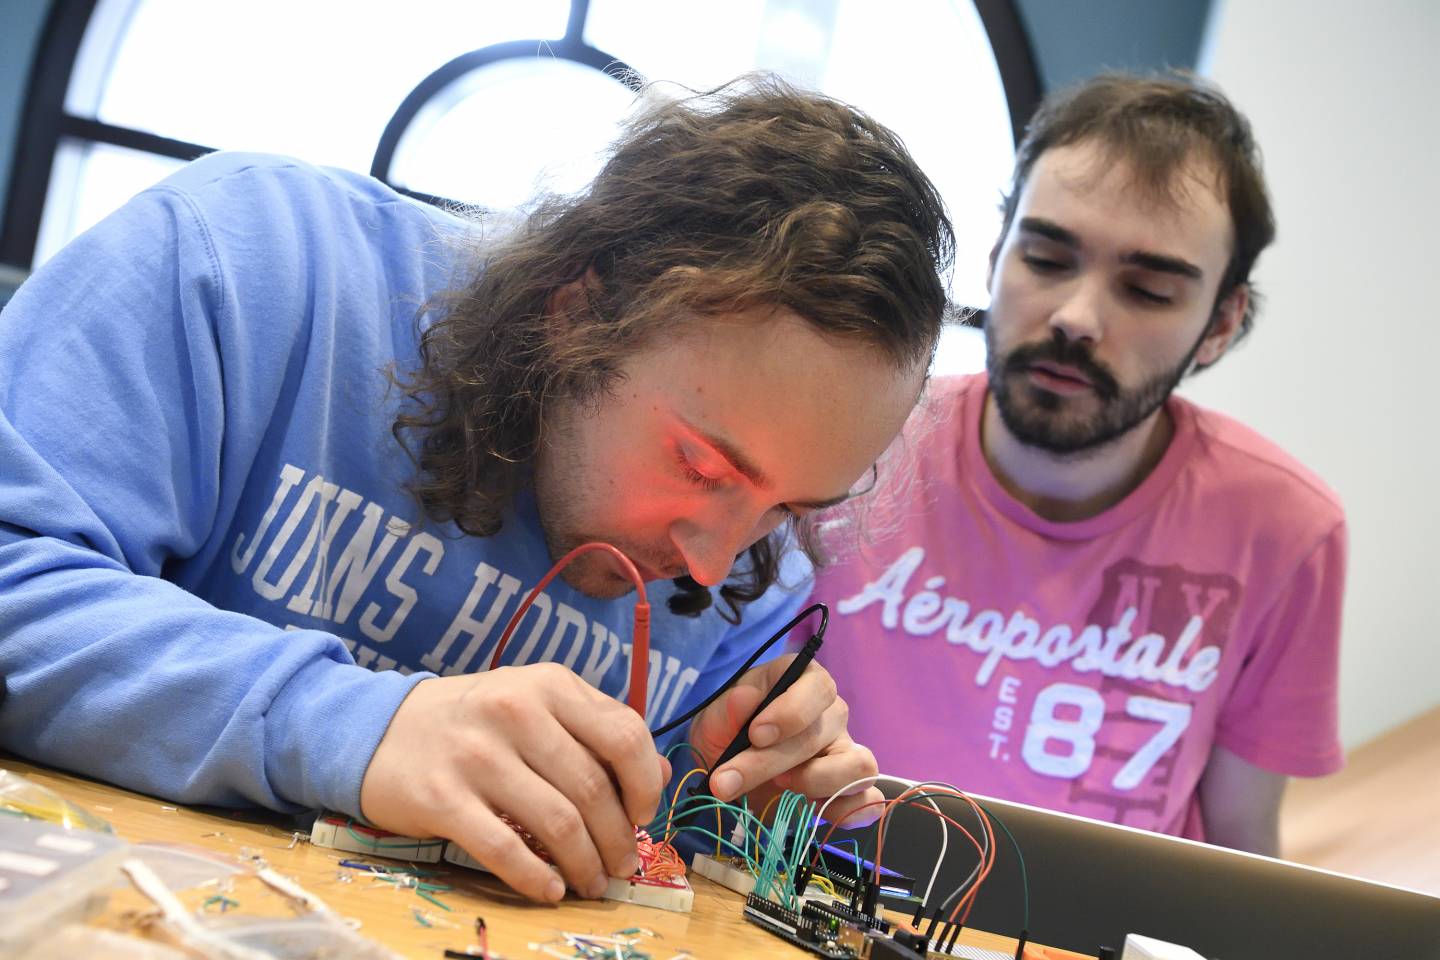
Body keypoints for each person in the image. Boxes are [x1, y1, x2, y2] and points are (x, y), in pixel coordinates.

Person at [0, 75, 955, 900]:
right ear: (575, 309)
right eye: (701, 468)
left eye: (789, 509)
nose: (712, 563)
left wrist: (740, 810)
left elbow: (646, 872)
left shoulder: (753, 579)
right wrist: (357, 726)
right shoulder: (253, 266)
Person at [807, 73, 1346, 855]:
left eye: (1149, 289)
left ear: (1222, 323)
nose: (1076, 318)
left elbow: (1239, 842)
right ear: (995, 256)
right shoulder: (853, 441)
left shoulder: (1287, 531)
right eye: (1046, 258)